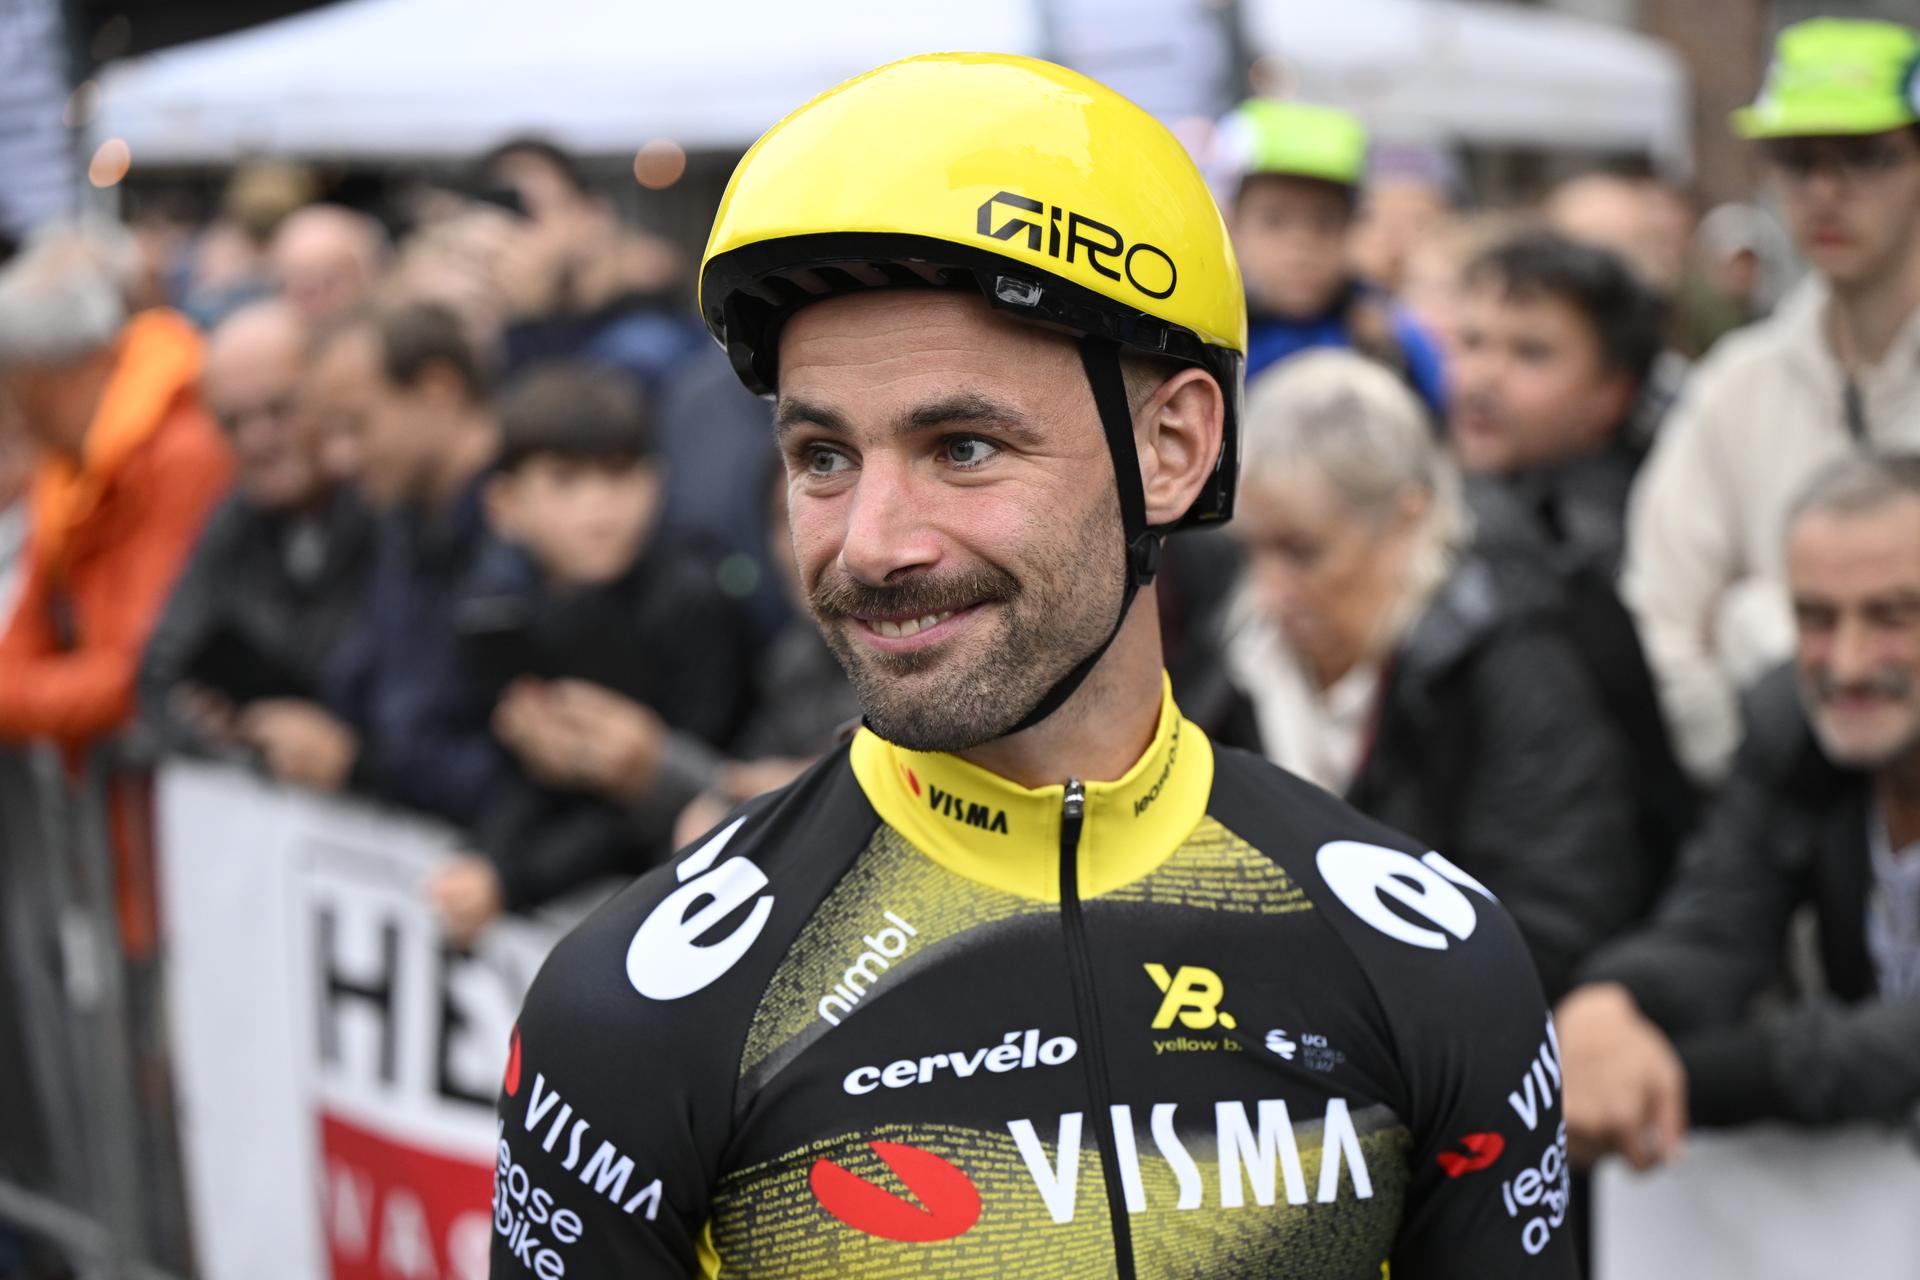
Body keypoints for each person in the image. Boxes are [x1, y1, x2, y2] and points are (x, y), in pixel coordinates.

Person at [497, 54, 1572, 1278]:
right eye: (823, 457)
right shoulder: (638, 1010)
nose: (872, 543)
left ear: (1172, 446)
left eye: (962, 446)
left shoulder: (1424, 959)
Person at [1223, 350, 1646, 998]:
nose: (1268, 588)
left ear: (1407, 519)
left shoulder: (1511, 664)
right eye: (1252, 548)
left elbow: (1550, 921)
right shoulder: (1238, 655)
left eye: (1301, 551)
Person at [1558, 454, 1920, 1169]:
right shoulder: (1794, 725)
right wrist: (1608, 1005)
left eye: (1893, 618)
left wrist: (1663, 1079)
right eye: (1816, 618)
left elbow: (1890, 1048)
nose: (1847, 664)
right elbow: (1717, 921)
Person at [1623, 17, 1920, 782]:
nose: (1825, 191)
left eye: (1865, 156)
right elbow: (1661, 623)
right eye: (1796, 160)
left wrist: (1759, 635)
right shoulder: (1735, 386)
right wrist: (1769, 775)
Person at [425, 361, 752, 940]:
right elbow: (526, 775)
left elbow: (678, 788)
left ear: (656, 482)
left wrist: (508, 878)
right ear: (504, 505)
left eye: (619, 474)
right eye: (566, 480)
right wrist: (489, 858)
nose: (600, 504)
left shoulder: (693, 603)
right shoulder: (505, 610)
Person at [237, 301, 502, 825]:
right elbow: (371, 693)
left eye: (356, 426)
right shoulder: (403, 526)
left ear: (438, 392)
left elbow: (522, 778)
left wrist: (358, 764)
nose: (338, 458)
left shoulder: (529, 535)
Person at [0, 221, 232, 755]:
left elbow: (137, 671)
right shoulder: (68, 464)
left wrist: (15, 699)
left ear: (36, 378)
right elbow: (26, 632)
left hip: (166, 769)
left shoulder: (179, 452)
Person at [138, 300, 374, 757]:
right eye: (233, 423)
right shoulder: (235, 519)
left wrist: (350, 752)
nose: (257, 440)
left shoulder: (383, 509)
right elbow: (160, 668)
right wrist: (212, 724)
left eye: (280, 410)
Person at [1451, 231, 1668, 577]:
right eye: (1472, 342)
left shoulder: (1625, 549)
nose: (1483, 377)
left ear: (1612, 392)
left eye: (1530, 353)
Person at [1212, 99, 1449, 416]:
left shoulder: (1388, 334)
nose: (1301, 246)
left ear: (1354, 225)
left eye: (1325, 222)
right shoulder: (1211, 332)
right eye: (1274, 220)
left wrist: (1388, 355)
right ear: (1233, 224)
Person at [268, 203, 387, 325]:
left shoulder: (386, 327)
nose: (316, 301)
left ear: (366, 275)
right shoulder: (268, 329)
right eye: (296, 281)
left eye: (328, 281)